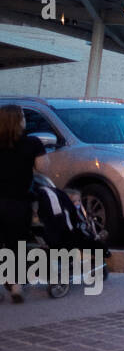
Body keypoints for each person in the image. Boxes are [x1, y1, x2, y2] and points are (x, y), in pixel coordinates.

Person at [0, 105, 45, 303]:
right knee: (15, 244)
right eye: (23, 116)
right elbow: (44, 169)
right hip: (18, 201)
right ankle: (15, 285)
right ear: (19, 120)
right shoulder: (32, 143)